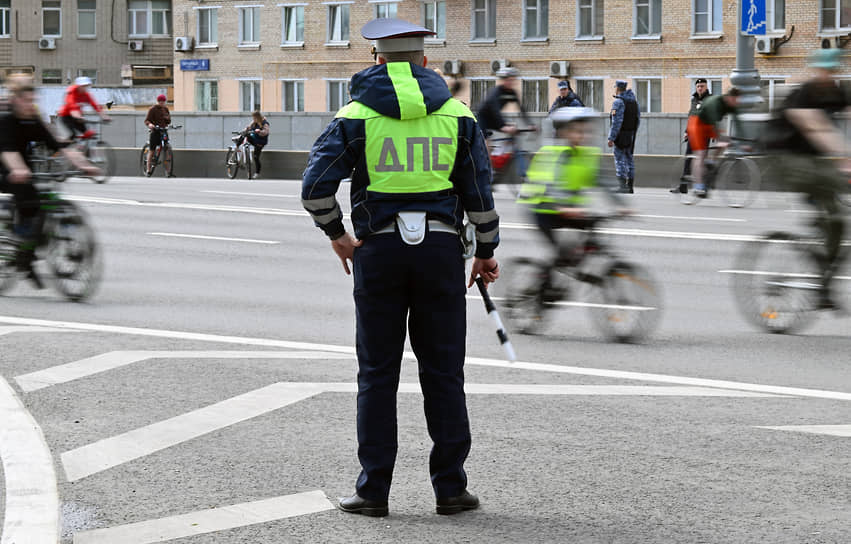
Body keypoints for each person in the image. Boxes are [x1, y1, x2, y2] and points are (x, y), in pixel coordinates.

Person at [301, 17, 499, 517]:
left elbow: (314, 188)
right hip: (440, 254)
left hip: (379, 253)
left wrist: (339, 237)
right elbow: (479, 195)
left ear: (376, 61)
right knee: (444, 373)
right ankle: (451, 489)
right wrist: (485, 251)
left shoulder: (354, 115)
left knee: (377, 373)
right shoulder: (459, 115)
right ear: (425, 63)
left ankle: (372, 492)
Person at [763, 48, 851, 310]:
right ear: (815, 70)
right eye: (823, 70)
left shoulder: (836, 92)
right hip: (783, 156)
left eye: (832, 71)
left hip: (813, 160)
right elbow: (817, 128)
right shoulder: (803, 94)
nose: (827, 75)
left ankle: (824, 283)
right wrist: (845, 157)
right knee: (833, 183)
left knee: (837, 220)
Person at [0, 73, 100, 286]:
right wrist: (18, 170)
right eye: (26, 101)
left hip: (23, 169)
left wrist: (85, 165)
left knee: (44, 203)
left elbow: (60, 144)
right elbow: (8, 151)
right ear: (14, 99)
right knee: (30, 203)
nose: (30, 105)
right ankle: (23, 256)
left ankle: (31, 248)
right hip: (7, 168)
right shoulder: (6, 120)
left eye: (32, 100)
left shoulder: (33, 120)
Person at [520, 106, 627, 297]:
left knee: (590, 238)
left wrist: (621, 206)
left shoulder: (588, 155)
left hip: (569, 210)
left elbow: (603, 182)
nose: (583, 135)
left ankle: (576, 269)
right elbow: (552, 184)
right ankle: (541, 288)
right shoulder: (553, 154)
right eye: (577, 131)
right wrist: (562, 206)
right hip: (543, 210)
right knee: (562, 254)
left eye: (586, 131)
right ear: (564, 132)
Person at [686, 87, 742, 197]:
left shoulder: (731, 104)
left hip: (710, 124)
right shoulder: (715, 102)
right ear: (729, 98)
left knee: (724, 141)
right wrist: (720, 138)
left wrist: (743, 142)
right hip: (697, 122)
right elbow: (713, 122)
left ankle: (711, 162)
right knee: (701, 154)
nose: (737, 103)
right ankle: (698, 187)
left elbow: (739, 122)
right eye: (735, 100)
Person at [672, 78, 712, 194]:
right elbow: (691, 115)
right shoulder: (694, 99)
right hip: (693, 133)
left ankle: (703, 186)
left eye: (702, 86)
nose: (700, 88)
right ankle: (683, 186)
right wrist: (686, 131)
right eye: (698, 86)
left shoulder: (709, 100)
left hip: (704, 133)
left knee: (701, 161)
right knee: (688, 159)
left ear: (706, 87)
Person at [475, 66, 534, 137]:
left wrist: (530, 124)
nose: (511, 82)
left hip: (494, 119)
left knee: (513, 129)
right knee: (485, 140)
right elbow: (495, 110)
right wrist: (503, 126)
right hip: (483, 118)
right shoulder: (496, 92)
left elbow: (521, 109)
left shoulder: (512, 93)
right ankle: (486, 146)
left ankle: (508, 146)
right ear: (504, 80)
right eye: (509, 80)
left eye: (513, 80)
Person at [607, 80, 640, 193]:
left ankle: (622, 186)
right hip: (631, 135)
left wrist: (611, 138)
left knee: (620, 160)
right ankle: (630, 186)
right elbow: (638, 120)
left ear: (618, 88)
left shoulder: (619, 102)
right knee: (629, 160)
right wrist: (633, 133)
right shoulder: (634, 102)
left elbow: (617, 122)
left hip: (620, 135)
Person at [56, 76, 110, 140]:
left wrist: (104, 116)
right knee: (73, 134)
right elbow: (72, 106)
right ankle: (66, 148)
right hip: (66, 116)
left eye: (86, 86)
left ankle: (83, 148)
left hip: (78, 116)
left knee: (88, 133)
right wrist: (78, 116)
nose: (85, 88)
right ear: (78, 86)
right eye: (83, 86)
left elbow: (95, 106)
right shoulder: (71, 94)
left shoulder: (86, 95)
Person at [234, 111, 270, 179]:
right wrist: (244, 131)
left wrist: (259, 131)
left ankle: (257, 173)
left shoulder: (265, 123)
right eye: (253, 118)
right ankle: (237, 146)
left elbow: (266, 132)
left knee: (256, 157)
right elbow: (248, 128)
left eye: (255, 118)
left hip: (260, 142)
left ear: (258, 117)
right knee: (246, 134)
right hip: (254, 140)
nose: (254, 119)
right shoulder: (254, 123)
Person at [143, 94, 171, 177]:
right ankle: (148, 170)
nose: (162, 103)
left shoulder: (165, 109)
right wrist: (150, 125)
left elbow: (169, 121)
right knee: (152, 150)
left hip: (163, 131)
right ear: (158, 101)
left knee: (166, 149)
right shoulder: (152, 109)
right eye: (160, 101)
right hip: (155, 131)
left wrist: (167, 119)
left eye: (163, 101)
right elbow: (147, 120)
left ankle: (168, 170)